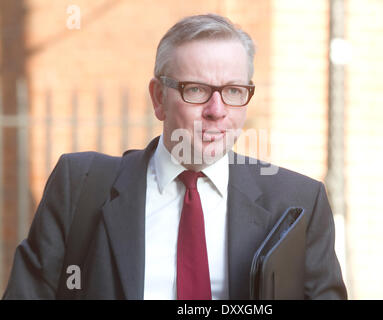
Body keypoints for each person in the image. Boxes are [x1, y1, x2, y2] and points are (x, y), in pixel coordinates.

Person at [2, 14, 347, 300]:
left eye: (233, 91)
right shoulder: (79, 186)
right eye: (195, 90)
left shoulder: (298, 204)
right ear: (158, 99)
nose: (217, 111)